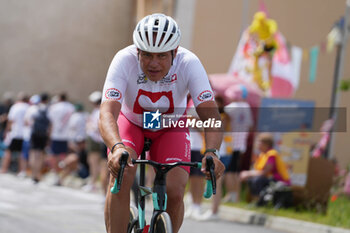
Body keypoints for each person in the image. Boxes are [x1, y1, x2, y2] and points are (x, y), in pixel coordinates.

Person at [99, 13, 225, 233]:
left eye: (162, 56)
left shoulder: (189, 63)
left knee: (175, 192)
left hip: (170, 126)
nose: (154, 63)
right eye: (147, 55)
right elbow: (107, 112)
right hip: (132, 123)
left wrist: (212, 152)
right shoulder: (123, 59)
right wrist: (117, 147)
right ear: (137, 51)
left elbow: (211, 115)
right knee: (121, 173)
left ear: (175, 52)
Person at [240, 133, 290, 200]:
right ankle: (255, 201)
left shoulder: (272, 154)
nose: (257, 144)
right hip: (270, 179)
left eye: (259, 142)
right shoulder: (263, 154)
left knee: (257, 180)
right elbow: (258, 169)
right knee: (252, 180)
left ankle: (259, 201)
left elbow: (265, 172)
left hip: (280, 181)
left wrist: (248, 173)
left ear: (266, 144)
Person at [223, 98, 253, 202]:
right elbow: (250, 126)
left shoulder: (229, 108)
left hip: (229, 143)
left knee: (229, 171)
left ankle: (231, 195)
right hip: (241, 143)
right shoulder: (247, 107)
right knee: (235, 170)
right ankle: (236, 196)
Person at [47, 93, 75, 184]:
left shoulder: (54, 107)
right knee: (65, 157)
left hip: (56, 135)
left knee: (54, 156)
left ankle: (56, 175)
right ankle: (62, 176)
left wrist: (49, 136)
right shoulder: (71, 107)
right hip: (68, 136)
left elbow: (51, 123)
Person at [0, 93, 29, 174]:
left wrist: (6, 131)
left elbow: (11, 120)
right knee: (22, 153)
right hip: (24, 134)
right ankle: (21, 171)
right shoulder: (28, 107)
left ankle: (4, 169)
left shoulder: (16, 107)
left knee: (8, 151)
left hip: (15, 133)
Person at [27, 93, 51, 183]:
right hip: (43, 134)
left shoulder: (34, 108)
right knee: (40, 155)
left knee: (33, 153)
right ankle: (37, 175)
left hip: (34, 133)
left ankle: (32, 174)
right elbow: (51, 124)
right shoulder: (49, 109)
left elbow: (28, 122)